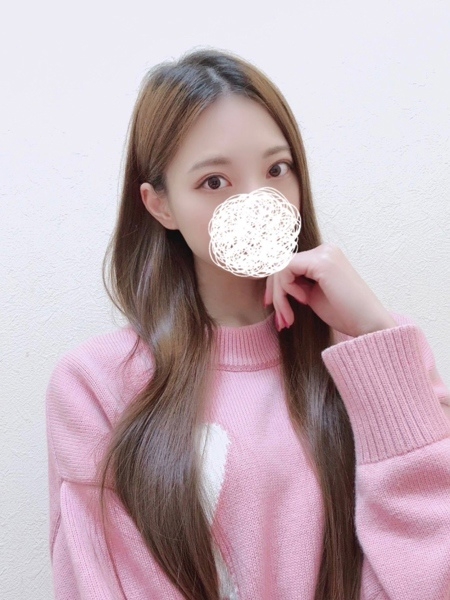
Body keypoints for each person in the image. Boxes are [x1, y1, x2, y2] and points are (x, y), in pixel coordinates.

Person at [46, 48, 450, 600]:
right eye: (214, 181)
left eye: (277, 170)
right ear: (160, 205)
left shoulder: (380, 354)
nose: (258, 202)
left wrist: (376, 336)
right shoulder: (95, 385)